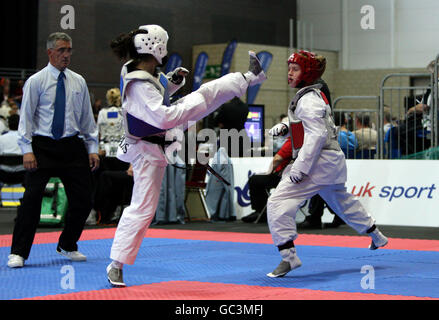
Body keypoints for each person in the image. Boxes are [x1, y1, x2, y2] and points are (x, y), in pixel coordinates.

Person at [106, 24, 267, 287]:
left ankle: (251, 76)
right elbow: (161, 115)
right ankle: (116, 264)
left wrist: (171, 83)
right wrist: (192, 105)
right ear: (156, 47)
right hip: (149, 146)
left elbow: (156, 93)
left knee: (207, 93)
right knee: (143, 209)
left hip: (158, 137)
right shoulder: (138, 83)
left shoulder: (140, 71)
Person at [266, 50, 388, 278]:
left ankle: (289, 257)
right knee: (342, 202)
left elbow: (316, 136)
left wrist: (300, 169)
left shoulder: (309, 99)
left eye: (295, 69)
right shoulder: (313, 95)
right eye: (289, 69)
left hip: (318, 162)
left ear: (307, 72)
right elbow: (314, 127)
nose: (289, 73)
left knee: (277, 202)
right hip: (332, 161)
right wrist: (286, 129)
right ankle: (377, 236)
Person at [7, 32, 99, 268]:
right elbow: (25, 118)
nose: (66, 55)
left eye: (69, 50)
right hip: (42, 146)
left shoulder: (78, 81)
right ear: (50, 52)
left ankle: (68, 244)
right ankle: (18, 252)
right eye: (61, 50)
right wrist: (26, 149)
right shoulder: (36, 81)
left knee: (83, 199)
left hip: (71, 145)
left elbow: (87, 119)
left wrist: (92, 147)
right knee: (31, 200)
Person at [242, 137, 292, 223]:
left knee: (254, 180)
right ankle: (263, 212)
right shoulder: (301, 140)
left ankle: (260, 211)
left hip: (283, 177)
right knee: (259, 180)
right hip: (290, 176)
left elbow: (277, 159)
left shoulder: (292, 141)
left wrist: (269, 172)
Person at [0, 114, 25, 185]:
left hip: (3, 175)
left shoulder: (1, 139)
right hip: (23, 175)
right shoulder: (26, 140)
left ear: (8, 124)